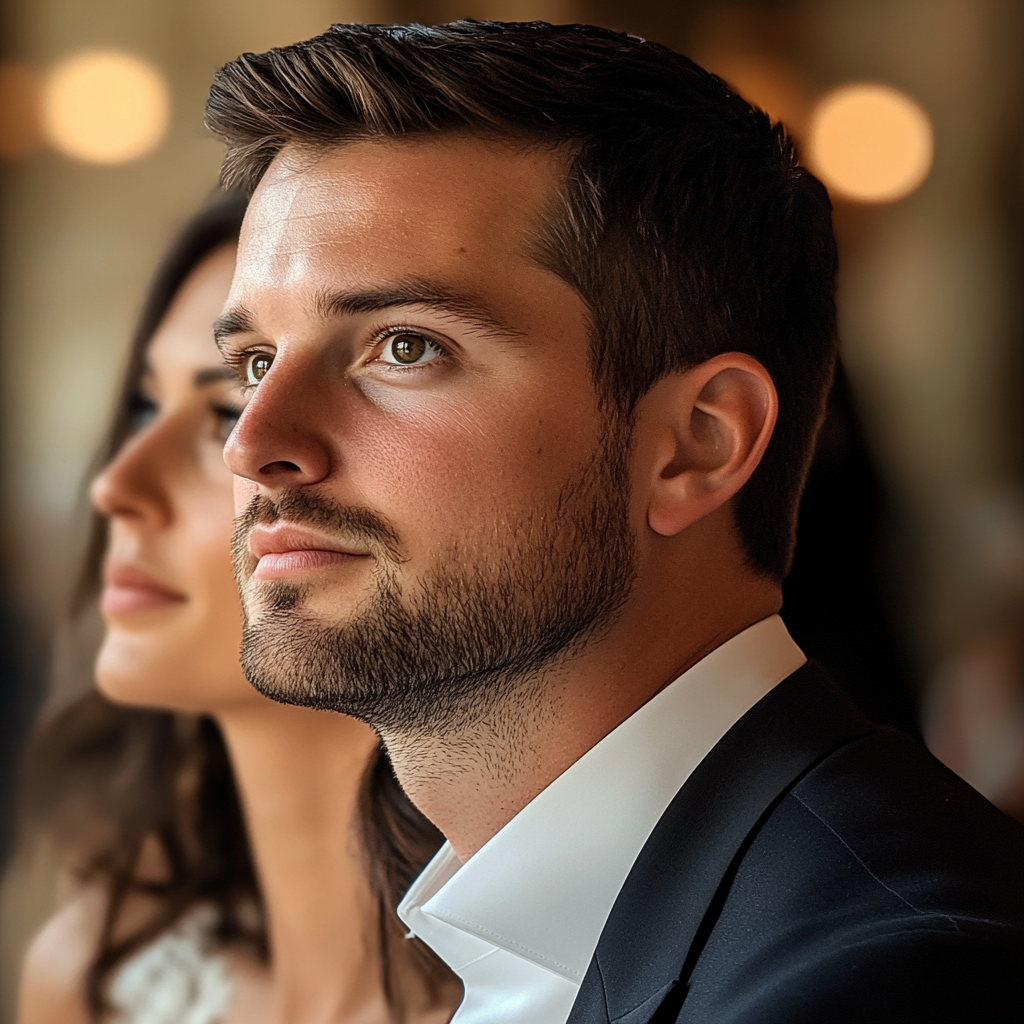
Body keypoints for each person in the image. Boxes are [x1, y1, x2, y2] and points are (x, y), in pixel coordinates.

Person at [206, 20, 1024, 1024]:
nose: (254, 444)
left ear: (698, 442)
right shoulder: (498, 940)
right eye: (252, 361)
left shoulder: (886, 983)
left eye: (404, 346)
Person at [16, 192, 458, 1024]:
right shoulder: (93, 983)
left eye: (224, 406)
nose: (116, 486)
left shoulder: (591, 989)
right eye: (146, 405)